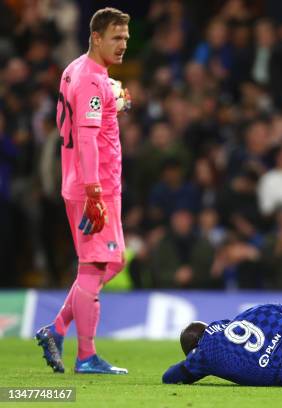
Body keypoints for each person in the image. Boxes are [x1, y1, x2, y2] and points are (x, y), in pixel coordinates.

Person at [35, 7, 131, 374]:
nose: (122, 45)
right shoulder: (92, 80)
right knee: (94, 265)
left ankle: (56, 329)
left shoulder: (76, 69)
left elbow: (88, 116)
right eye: (115, 38)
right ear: (96, 37)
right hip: (95, 187)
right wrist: (94, 192)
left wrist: (115, 103)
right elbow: (87, 138)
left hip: (94, 185)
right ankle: (86, 356)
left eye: (125, 38)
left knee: (114, 260)